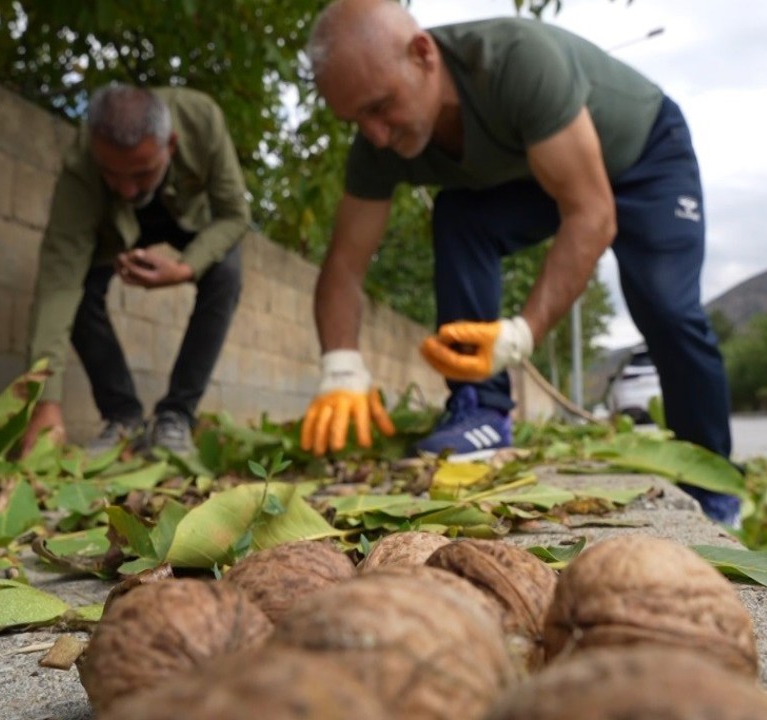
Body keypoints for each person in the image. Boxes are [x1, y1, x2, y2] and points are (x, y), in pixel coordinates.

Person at [298, 0, 741, 525]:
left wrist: (519, 334)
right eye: (356, 120)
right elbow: (344, 266)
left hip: (643, 157)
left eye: (380, 107)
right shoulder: (378, 146)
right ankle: (481, 409)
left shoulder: (517, 62)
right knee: (460, 216)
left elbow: (592, 215)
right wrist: (340, 367)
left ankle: (715, 487)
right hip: (538, 175)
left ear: (422, 55)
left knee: (665, 305)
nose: (374, 134)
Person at [20, 84, 250, 457]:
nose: (127, 189)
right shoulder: (82, 164)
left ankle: (175, 416)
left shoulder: (201, 119)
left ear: (170, 145)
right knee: (78, 291)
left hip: (189, 220)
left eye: (142, 173)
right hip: (116, 229)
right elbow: (58, 280)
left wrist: (185, 267)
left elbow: (235, 215)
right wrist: (45, 401)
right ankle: (123, 418)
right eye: (112, 175)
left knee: (226, 272)